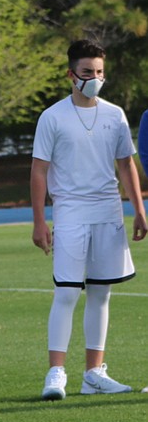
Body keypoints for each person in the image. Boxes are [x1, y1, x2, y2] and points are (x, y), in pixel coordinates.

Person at [31, 39, 147, 400]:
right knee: (66, 292)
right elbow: (39, 170)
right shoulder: (52, 117)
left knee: (101, 293)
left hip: (108, 213)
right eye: (87, 72)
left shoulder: (115, 115)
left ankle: (94, 374)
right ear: (71, 74)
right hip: (70, 214)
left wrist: (139, 209)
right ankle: (56, 373)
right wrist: (39, 221)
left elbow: (125, 164)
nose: (94, 78)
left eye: (99, 72)